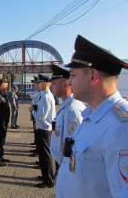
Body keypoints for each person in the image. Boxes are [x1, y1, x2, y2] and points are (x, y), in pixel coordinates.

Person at [56, 35, 128, 198]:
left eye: (73, 75)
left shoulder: (121, 126)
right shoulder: (92, 116)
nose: (68, 82)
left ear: (93, 76)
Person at [49, 64, 85, 178]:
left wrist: (64, 172)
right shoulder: (66, 106)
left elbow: (72, 149)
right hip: (61, 161)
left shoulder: (72, 110)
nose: (50, 87)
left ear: (65, 84)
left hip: (67, 165)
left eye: (53, 84)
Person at [29, 74, 56, 188]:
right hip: (42, 127)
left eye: (38, 83)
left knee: (45, 155)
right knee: (42, 154)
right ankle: (45, 175)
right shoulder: (43, 95)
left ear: (44, 83)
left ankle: (49, 180)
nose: (36, 85)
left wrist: (32, 111)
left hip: (45, 128)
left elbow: (42, 116)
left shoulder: (46, 96)